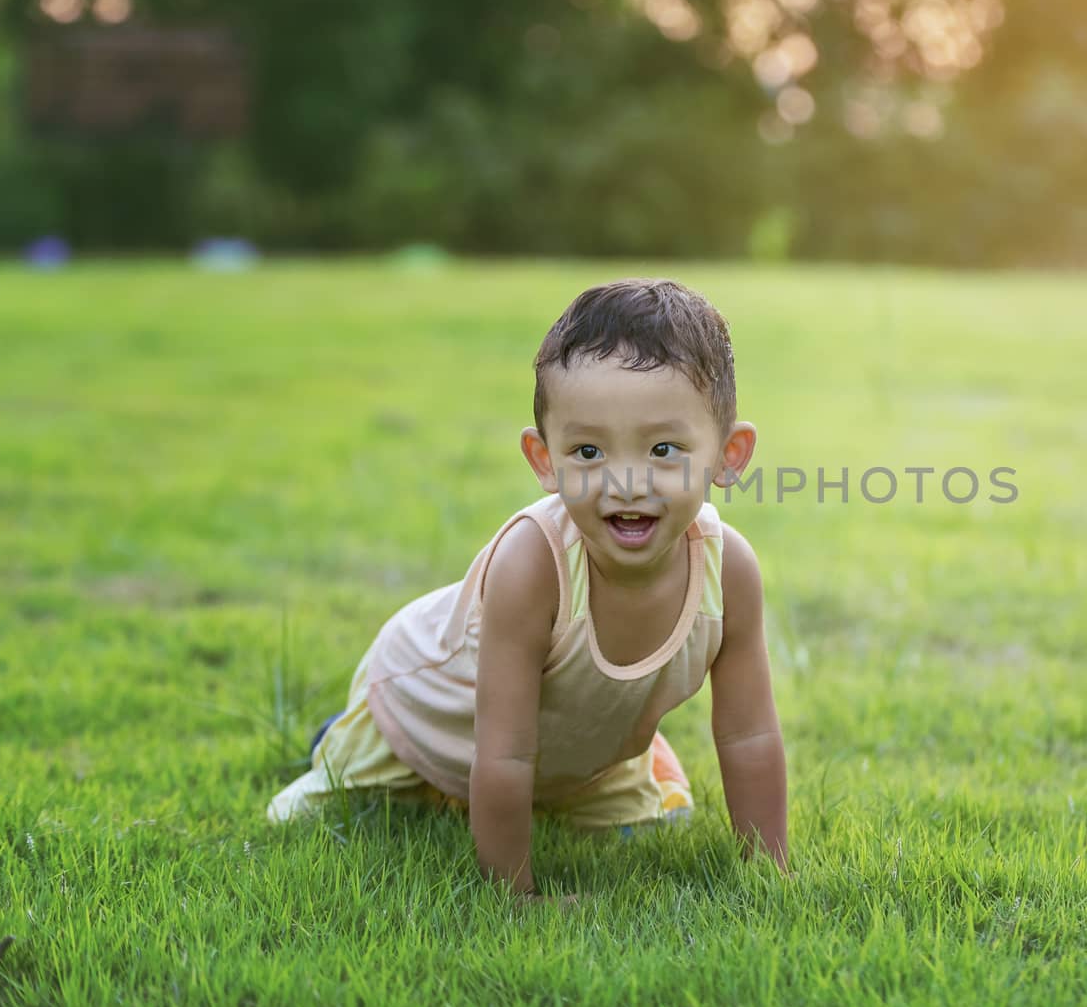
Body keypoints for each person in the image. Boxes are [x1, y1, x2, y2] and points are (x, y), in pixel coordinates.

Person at [266, 278, 788, 897]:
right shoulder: (533, 565)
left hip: (567, 747)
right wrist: (518, 899)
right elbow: (504, 752)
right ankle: (346, 739)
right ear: (545, 459)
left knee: (657, 825)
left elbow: (748, 733)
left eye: (664, 449)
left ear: (729, 455)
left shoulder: (730, 572)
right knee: (308, 821)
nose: (624, 482)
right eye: (589, 450)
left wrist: (770, 876)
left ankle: (618, 768)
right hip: (431, 715)